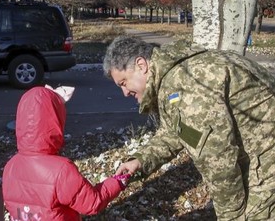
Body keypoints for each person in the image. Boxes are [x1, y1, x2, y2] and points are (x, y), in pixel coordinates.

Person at [103, 36, 275, 220]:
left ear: (141, 65)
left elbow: (218, 160)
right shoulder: (177, 74)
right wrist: (140, 161)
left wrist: (232, 216)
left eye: (123, 83)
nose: (125, 92)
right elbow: (177, 131)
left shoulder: (186, 85)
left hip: (267, 162)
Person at [2, 86, 129, 221]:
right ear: (55, 120)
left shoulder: (10, 166)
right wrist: (116, 183)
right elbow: (92, 203)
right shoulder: (61, 170)